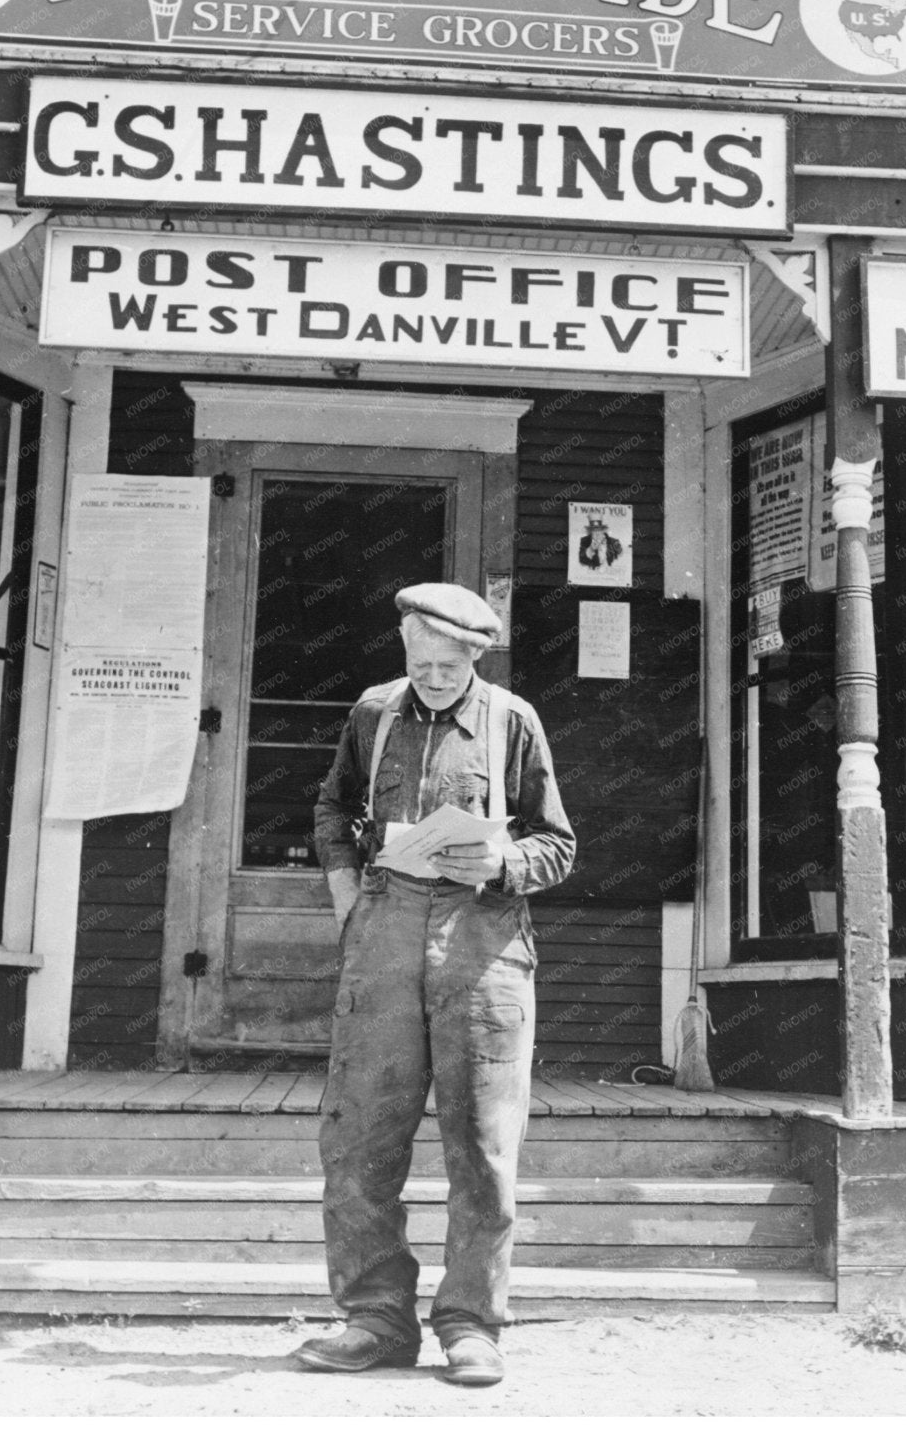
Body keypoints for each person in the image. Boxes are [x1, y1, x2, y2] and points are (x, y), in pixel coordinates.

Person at [293, 583, 576, 1387]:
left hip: (483, 946)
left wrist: (505, 862)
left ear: (476, 659)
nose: (434, 678)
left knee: (483, 1145)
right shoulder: (373, 714)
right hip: (383, 935)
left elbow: (558, 842)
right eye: (421, 663)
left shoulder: (511, 721)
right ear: (404, 650)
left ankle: (470, 1324)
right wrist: (347, 896)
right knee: (359, 1139)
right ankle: (374, 1317)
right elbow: (331, 807)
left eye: (450, 666)